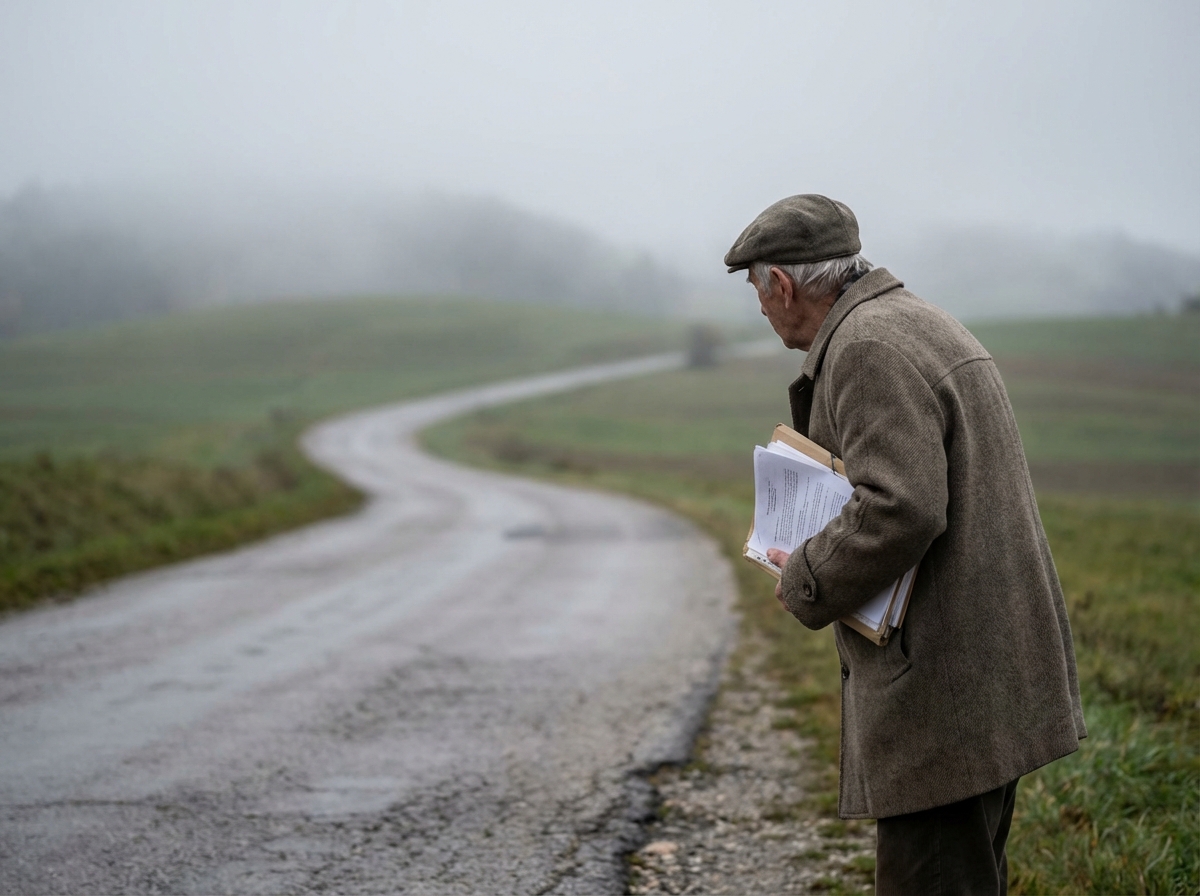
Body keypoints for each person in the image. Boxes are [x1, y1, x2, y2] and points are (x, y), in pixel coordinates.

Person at [724, 195, 1086, 896]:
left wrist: (806, 575)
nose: (761, 311)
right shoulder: (913, 321)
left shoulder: (865, 349)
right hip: (984, 668)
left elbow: (901, 505)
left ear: (785, 286)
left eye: (756, 292)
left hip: (947, 688)